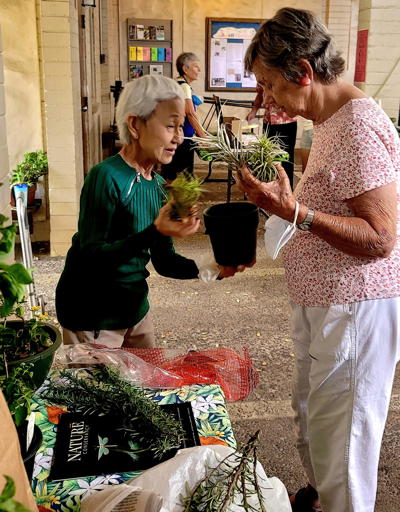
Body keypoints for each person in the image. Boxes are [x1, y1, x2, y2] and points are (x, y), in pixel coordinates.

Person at [238, 7, 400, 512]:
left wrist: (297, 213)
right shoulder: (329, 120)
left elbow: (381, 237)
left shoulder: (353, 129)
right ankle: (321, 497)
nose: (265, 99)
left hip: (353, 308)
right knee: (315, 418)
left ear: (303, 72)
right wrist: (285, 208)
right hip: (326, 303)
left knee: (344, 441)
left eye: (269, 84)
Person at [56, 75, 243, 349]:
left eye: (181, 127)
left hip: (134, 309)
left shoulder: (156, 185)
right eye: (170, 126)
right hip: (93, 314)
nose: (179, 137)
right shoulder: (106, 176)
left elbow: (164, 261)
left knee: (149, 383)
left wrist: (213, 268)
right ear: (135, 125)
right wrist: (155, 231)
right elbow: (93, 256)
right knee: (101, 391)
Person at [161, 53, 206, 182]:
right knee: (185, 177)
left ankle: (169, 199)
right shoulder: (184, 86)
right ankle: (181, 201)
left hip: (172, 135)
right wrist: (203, 137)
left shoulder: (176, 83)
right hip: (182, 138)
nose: (199, 70)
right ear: (185, 69)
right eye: (196, 66)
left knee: (170, 173)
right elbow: (190, 113)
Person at [246, 84, 297, 188]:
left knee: (287, 157)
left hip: (287, 121)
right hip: (269, 121)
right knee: (267, 155)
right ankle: (269, 186)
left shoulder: (286, 75)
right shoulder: (262, 76)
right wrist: (254, 111)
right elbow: (260, 94)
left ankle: (288, 189)